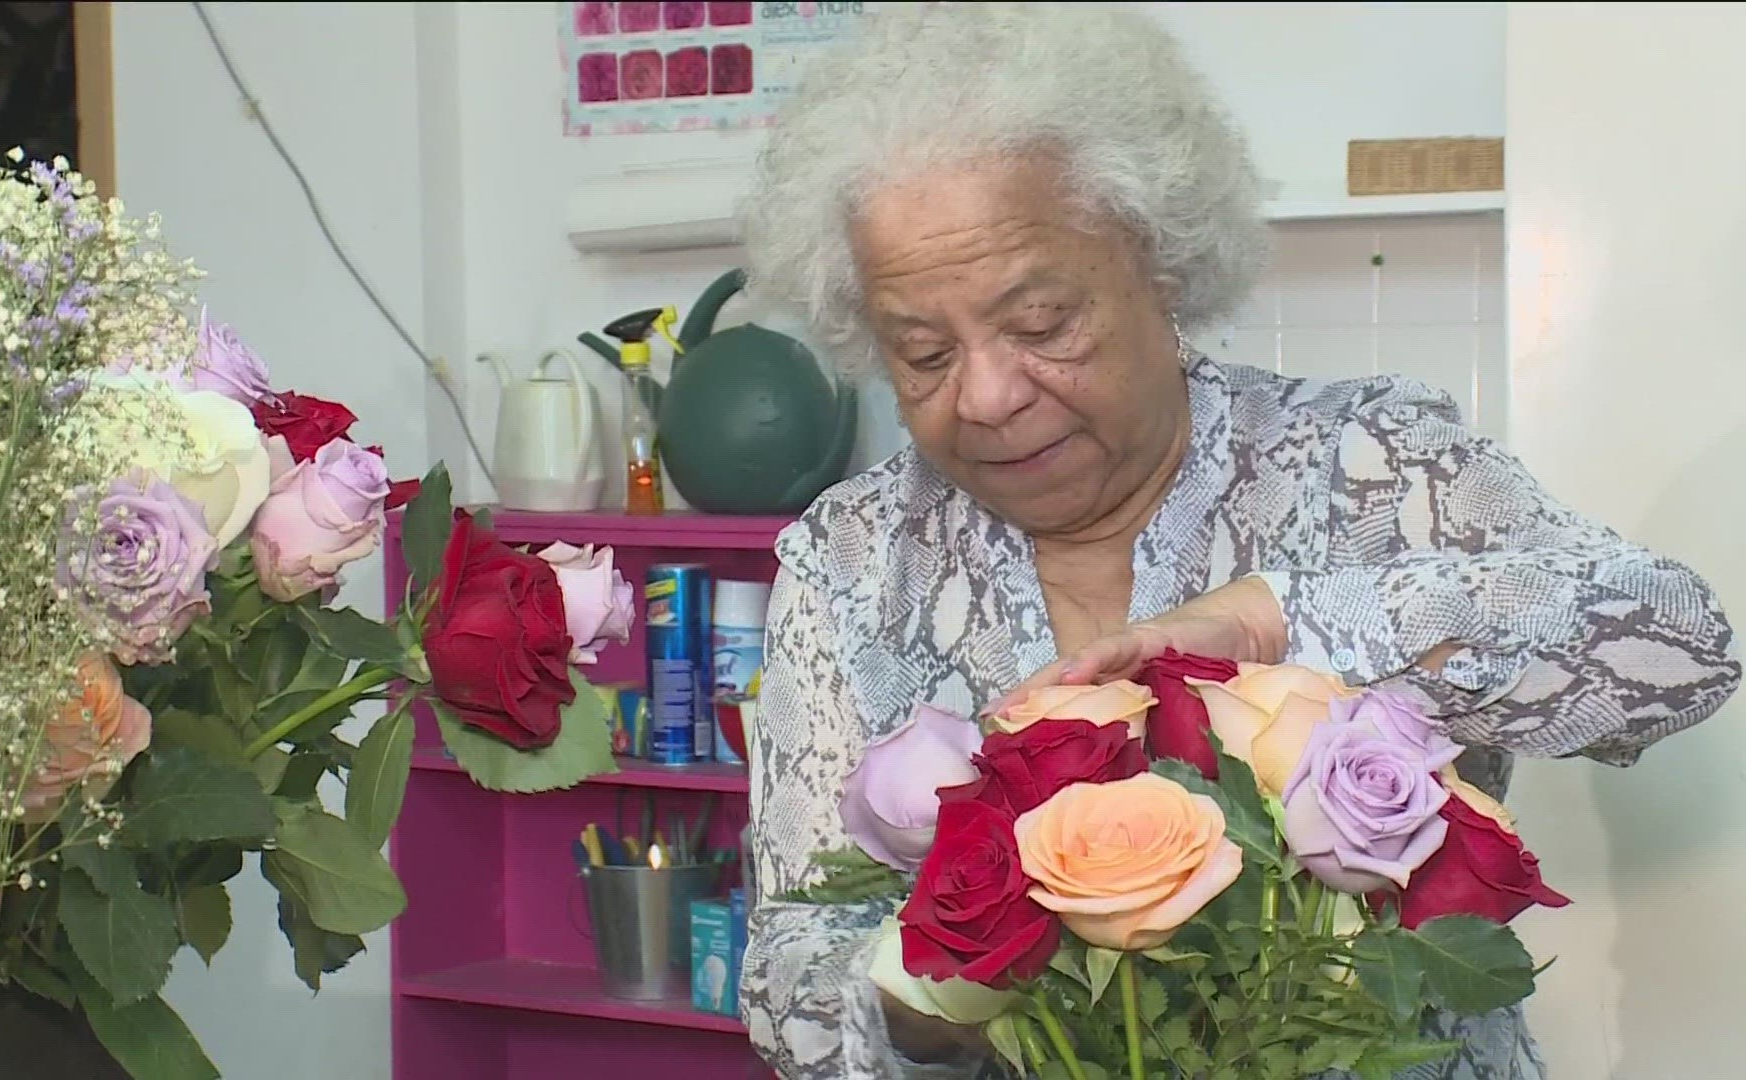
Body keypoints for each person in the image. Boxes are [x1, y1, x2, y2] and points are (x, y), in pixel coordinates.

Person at [733, 4, 1740, 1079]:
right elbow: (785, 968)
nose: (984, 397)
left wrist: (1278, 622)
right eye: (923, 353)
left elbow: (1676, 643)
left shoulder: (1372, 460)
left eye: (1039, 326)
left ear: (1160, 266)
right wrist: (952, 980)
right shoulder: (850, 558)